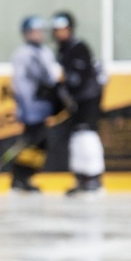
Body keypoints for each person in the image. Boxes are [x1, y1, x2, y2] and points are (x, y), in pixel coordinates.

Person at [51, 11, 107, 197]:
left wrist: (63, 84)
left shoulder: (78, 47)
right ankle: (81, 177)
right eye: (57, 30)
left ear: (70, 29)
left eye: (64, 29)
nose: (60, 33)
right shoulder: (62, 50)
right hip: (77, 101)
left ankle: (93, 177)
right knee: (76, 138)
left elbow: (79, 79)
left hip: (88, 99)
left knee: (87, 135)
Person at [9, 15, 64, 193]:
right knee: (31, 144)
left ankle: (25, 178)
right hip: (30, 109)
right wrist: (24, 108)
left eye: (40, 31)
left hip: (43, 108)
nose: (37, 34)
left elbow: (51, 79)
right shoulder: (22, 54)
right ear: (26, 33)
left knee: (40, 145)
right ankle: (20, 178)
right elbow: (19, 84)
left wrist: (55, 103)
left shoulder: (45, 52)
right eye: (33, 31)